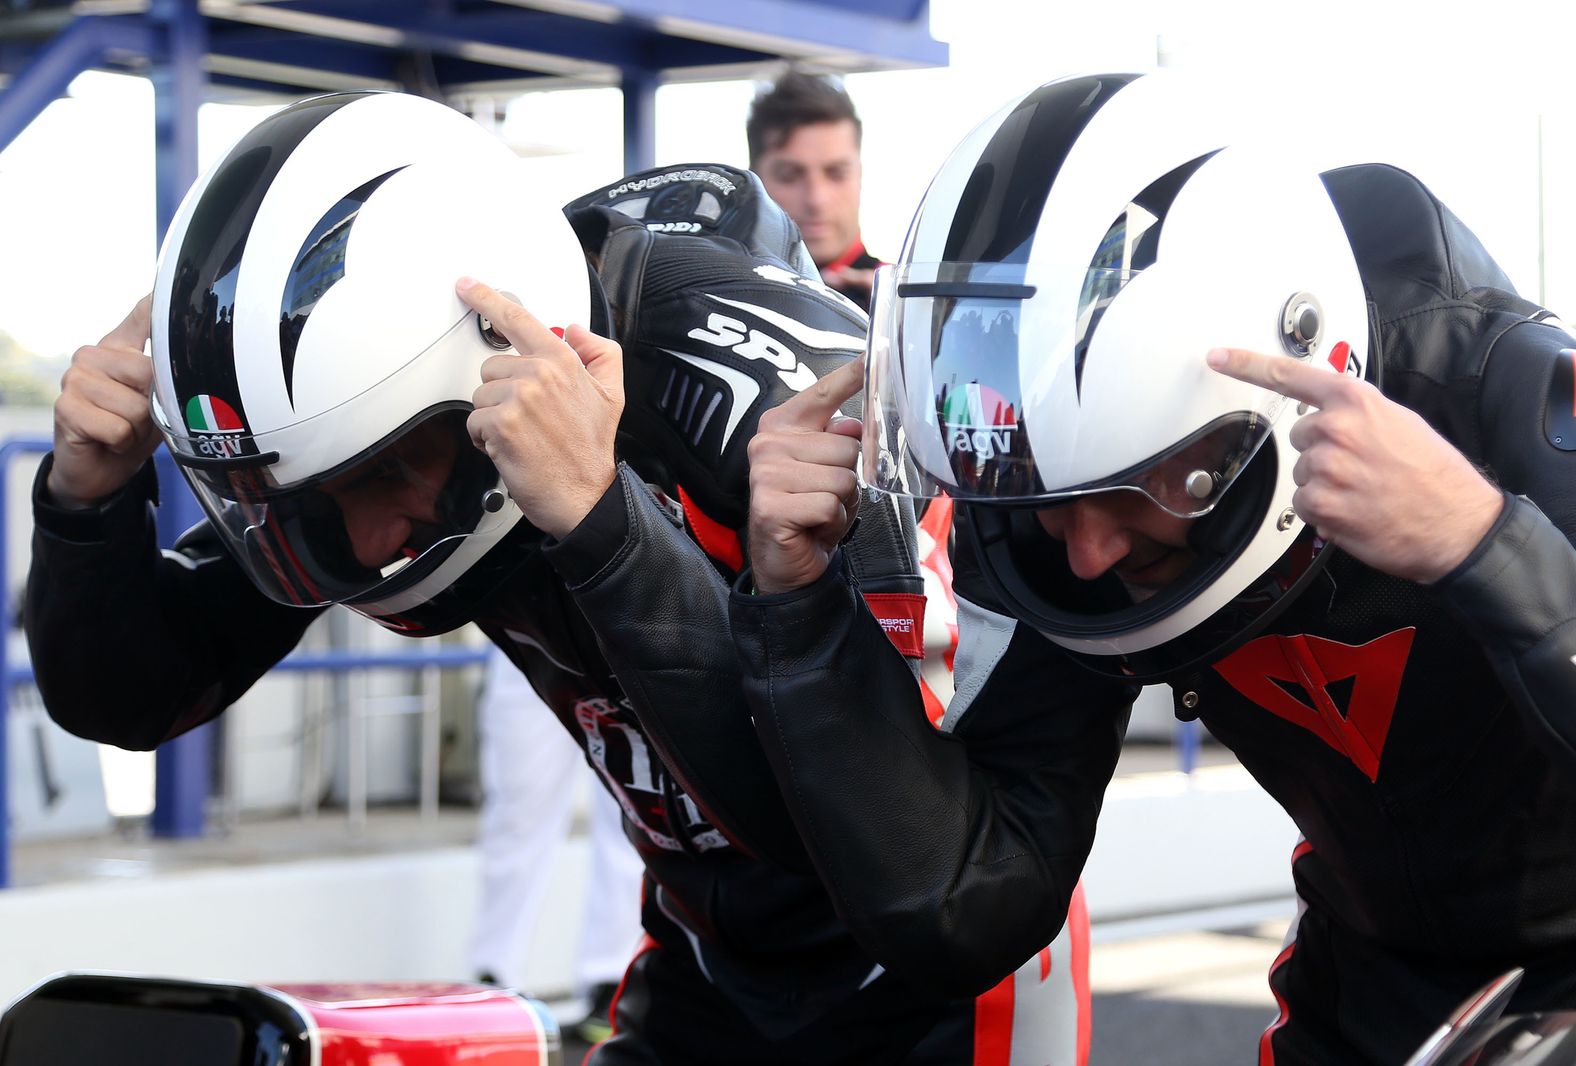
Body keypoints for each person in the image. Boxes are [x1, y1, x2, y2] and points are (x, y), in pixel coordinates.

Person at [28, 90, 1087, 1063]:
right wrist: (86, 504)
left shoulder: (776, 403)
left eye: (386, 470)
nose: (362, 538)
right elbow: (135, 694)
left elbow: (901, 860)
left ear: (497, 366)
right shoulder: (375, 410)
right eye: (307, 495)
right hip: (705, 951)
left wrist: (600, 521)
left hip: (936, 979)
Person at [733, 69, 1576, 1066]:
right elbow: (967, 907)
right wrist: (794, 610)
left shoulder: (1504, 394)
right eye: (1053, 499)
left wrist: (1482, 545)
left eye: (1139, 482)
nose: (1089, 549)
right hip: (1368, 978)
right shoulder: (1037, 510)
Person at [468, 644, 642, 1047]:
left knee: (628, 811)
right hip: (521, 633)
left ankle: (608, 978)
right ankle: (494, 975)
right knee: (516, 811)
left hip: (613, 629)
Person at [747, 70, 879, 308]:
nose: (816, 199)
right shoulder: (716, 297)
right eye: (789, 176)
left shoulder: (914, 304)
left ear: (860, 175)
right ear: (753, 183)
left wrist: (905, 332)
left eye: (836, 173)